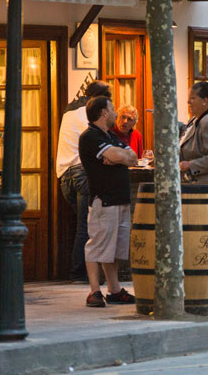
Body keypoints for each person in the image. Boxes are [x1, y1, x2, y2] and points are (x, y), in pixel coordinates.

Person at [79, 96, 138, 307]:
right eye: (112, 109)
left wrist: (119, 156)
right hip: (103, 200)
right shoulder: (90, 137)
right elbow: (120, 155)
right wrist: (118, 156)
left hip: (120, 199)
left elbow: (132, 157)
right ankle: (94, 292)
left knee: (113, 248)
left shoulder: (110, 136)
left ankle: (114, 290)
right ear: (103, 113)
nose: (115, 113)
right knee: (97, 245)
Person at [56, 80, 112, 281]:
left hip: (64, 175)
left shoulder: (70, 111)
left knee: (83, 226)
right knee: (86, 227)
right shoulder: (87, 114)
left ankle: (82, 271)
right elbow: (101, 138)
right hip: (81, 174)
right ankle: (80, 273)